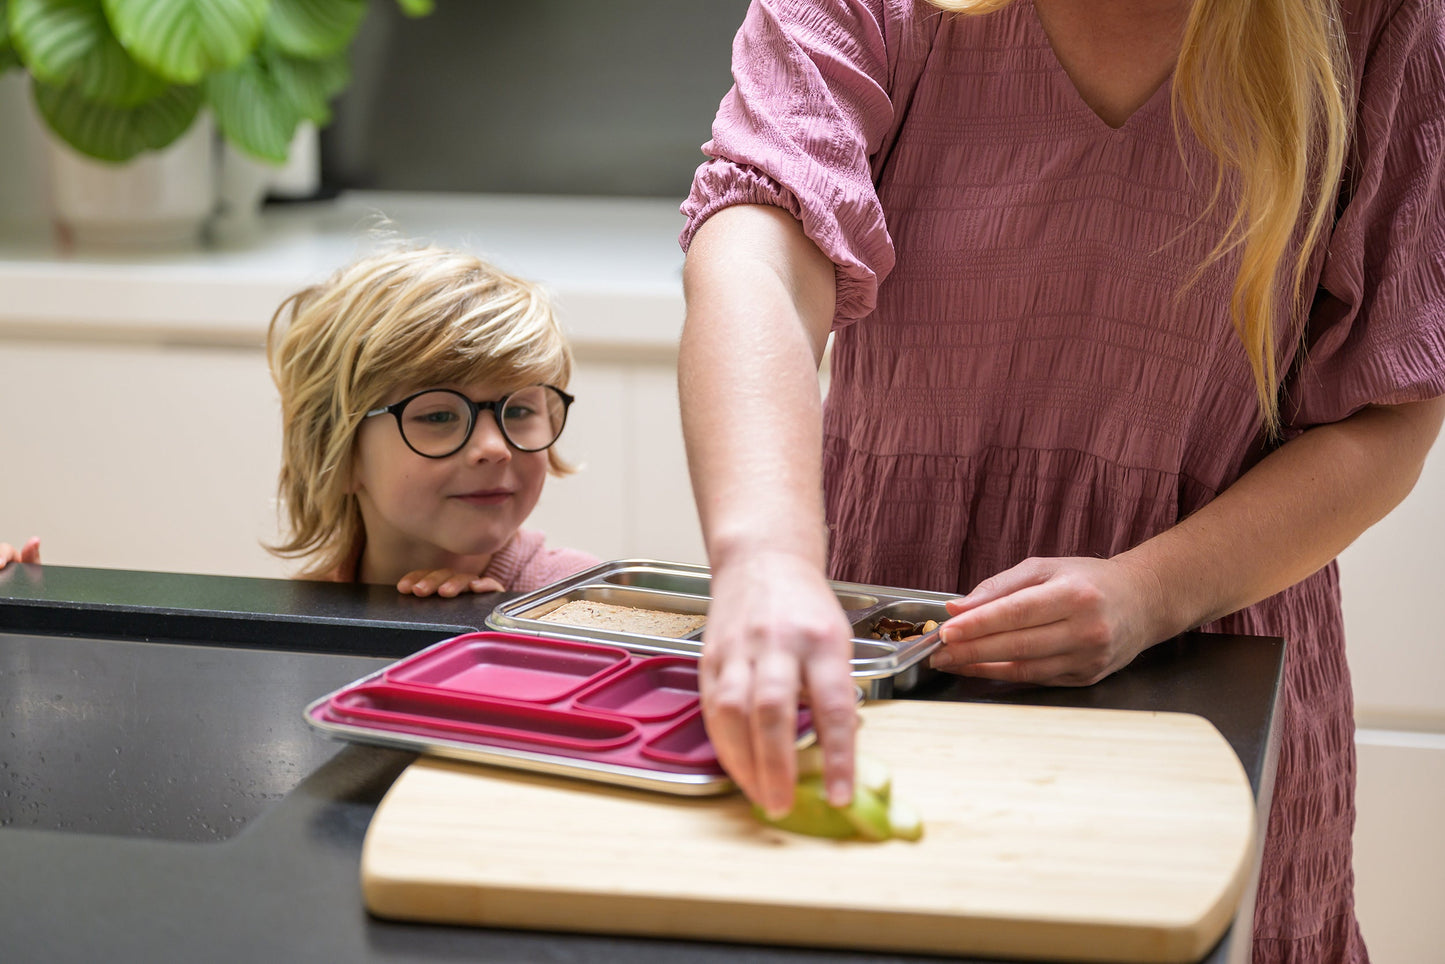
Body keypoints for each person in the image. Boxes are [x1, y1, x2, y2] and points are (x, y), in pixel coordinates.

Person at [676, 0, 1444, 960]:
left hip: (1202, 663)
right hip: (891, 652)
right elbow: (755, 247)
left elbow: (1389, 413)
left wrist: (1149, 591)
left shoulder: (1382, 21)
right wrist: (765, 557)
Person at [267, 244, 598, 596]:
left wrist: (505, 637)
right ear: (336, 454)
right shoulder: (307, 611)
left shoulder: (577, 600)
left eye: (518, 410)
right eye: (439, 415)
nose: (493, 448)